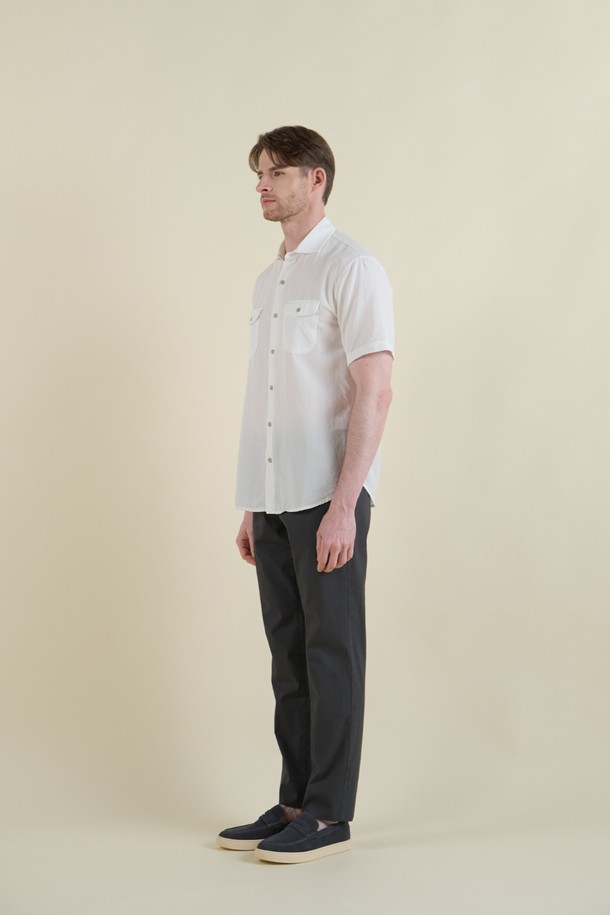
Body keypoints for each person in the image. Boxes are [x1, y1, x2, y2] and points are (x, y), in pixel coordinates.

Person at [217, 126, 394, 864]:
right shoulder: (269, 281)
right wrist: (252, 501)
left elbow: (374, 389)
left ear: (316, 178)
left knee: (331, 653)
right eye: (258, 172)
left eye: (278, 171)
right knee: (288, 658)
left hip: (327, 495)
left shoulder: (352, 267)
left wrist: (345, 504)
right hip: (273, 495)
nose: (262, 184)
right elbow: (269, 398)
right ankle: (294, 800)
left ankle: (328, 813)